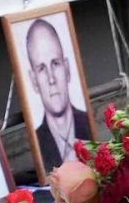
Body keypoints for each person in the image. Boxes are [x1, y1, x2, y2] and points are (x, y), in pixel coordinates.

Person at [25, 18, 92, 170]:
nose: (51, 79)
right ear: (34, 80)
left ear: (67, 69)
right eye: (41, 68)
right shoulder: (38, 142)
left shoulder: (89, 125)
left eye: (55, 64)